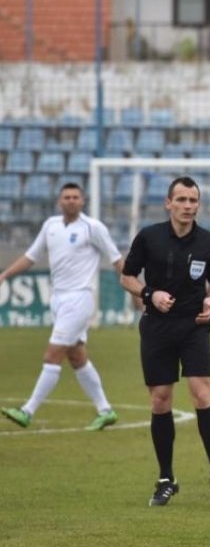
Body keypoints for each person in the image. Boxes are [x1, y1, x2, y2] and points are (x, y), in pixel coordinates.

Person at [120, 176, 210, 507]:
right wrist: (150, 294)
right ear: (168, 203)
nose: (187, 206)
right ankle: (166, 478)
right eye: (181, 200)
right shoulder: (149, 237)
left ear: (198, 205)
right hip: (157, 328)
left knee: (202, 393)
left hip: (194, 327)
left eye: (192, 201)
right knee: (160, 401)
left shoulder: (209, 242)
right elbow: (127, 277)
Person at [0, 182, 120, 431]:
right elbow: (31, 257)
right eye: (67, 197)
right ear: (59, 201)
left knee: (52, 354)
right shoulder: (50, 226)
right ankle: (105, 410)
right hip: (58, 298)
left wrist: (135, 290)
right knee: (76, 356)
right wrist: (4, 274)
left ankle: (27, 411)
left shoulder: (93, 228)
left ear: (83, 201)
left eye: (76, 197)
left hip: (80, 298)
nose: (71, 200)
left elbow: (117, 258)